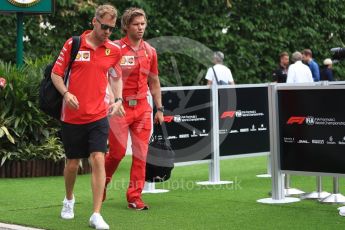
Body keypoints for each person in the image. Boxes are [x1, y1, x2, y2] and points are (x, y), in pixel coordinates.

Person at [51, 4, 123, 229]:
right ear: (94, 22)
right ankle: (69, 199)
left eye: (112, 29)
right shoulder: (74, 44)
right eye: (104, 27)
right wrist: (66, 93)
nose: (108, 32)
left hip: (99, 115)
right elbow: (56, 74)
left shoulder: (113, 50)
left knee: (98, 158)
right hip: (72, 115)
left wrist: (118, 99)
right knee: (73, 163)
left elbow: (116, 76)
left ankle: (96, 214)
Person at [103, 7, 164, 210]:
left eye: (143, 24)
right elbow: (105, 77)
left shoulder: (150, 51)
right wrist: (113, 101)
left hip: (142, 109)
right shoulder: (115, 48)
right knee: (117, 153)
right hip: (119, 108)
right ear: (126, 26)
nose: (140, 28)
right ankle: (101, 183)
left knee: (141, 154)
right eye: (136, 24)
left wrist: (159, 109)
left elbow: (154, 82)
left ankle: (134, 197)